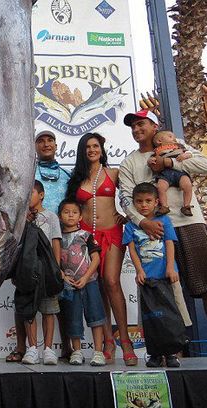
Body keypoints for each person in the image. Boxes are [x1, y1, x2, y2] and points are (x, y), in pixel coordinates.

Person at [119, 109, 207, 329]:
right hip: (155, 230)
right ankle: (173, 353)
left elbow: (203, 165)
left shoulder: (174, 144)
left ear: (155, 127)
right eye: (133, 126)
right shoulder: (129, 162)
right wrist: (143, 223)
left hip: (188, 223)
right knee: (163, 292)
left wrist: (169, 164)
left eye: (141, 124)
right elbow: (125, 197)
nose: (136, 129)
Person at [66, 132, 136, 365]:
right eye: (87, 147)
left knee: (112, 281)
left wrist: (128, 216)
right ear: (82, 151)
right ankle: (108, 341)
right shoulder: (77, 178)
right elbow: (69, 208)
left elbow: (130, 196)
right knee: (97, 288)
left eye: (96, 146)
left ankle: (125, 340)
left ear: (102, 149)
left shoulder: (114, 173)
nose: (92, 150)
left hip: (112, 232)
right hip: (87, 236)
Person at [7, 129, 72, 362]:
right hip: (27, 252)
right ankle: (24, 348)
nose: (46, 144)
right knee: (24, 302)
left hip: (56, 242)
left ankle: (62, 348)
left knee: (53, 303)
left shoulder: (67, 174)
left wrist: (57, 264)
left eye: (50, 141)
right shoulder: (26, 172)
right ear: (34, 146)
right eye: (40, 141)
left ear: (56, 145)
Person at [123, 183, 181, 368]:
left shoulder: (164, 220)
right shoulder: (132, 226)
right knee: (150, 317)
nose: (144, 205)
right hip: (146, 279)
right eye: (139, 202)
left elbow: (170, 243)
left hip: (165, 276)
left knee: (169, 315)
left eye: (148, 201)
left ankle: (171, 353)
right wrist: (139, 270)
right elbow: (132, 249)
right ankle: (154, 353)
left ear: (156, 202)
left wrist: (171, 267)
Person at [16, 180, 62, 365]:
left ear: (41, 195)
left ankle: (49, 349)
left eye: (32, 192)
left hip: (47, 270)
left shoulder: (51, 217)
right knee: (28, 310)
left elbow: (56, 242)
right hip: (27, 270)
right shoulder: (19, 218)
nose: (28, 197)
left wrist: (56, 268)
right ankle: (32, 348)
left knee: (48, 310)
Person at [58, 200, 106, 366]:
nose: (70, 215)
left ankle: (98, 351)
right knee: (72, 317)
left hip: (90, 282)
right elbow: (54, 261)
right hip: (69, 286)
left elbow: (96, 258)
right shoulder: (57, 238)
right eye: (66, 212)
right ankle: (77, 351)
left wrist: (86, 277)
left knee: (96, 315)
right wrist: (63, 276)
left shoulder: (86, 236)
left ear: (80, 216)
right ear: (59, 216)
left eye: (74, 212)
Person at [151, 130, 194, 216]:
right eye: (170, 137)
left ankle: (186, 206)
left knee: (187, 185)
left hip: (180, 171)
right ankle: (164, 206)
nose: (174, 138)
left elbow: (189, 153)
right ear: (159, 141)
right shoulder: (156, 150)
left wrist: (185, 155)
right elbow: (152, 159)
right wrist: (150, 161)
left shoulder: (179, 146)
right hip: (165, 172)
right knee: (160, 187)